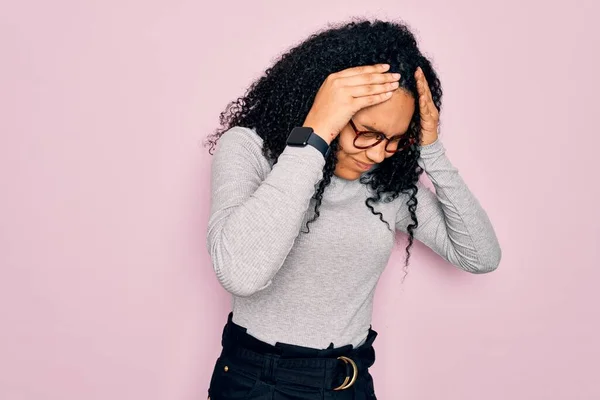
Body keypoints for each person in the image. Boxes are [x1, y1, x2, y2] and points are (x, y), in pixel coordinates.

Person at [204, 19, 501, 400]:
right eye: (367, 132)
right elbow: (241, 273)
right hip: (260, 383)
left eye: (394, 140)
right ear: (328, 109)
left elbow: (481, 256)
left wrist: (431, 148)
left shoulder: (387, 183)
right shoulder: (249, 151)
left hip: (351, 382)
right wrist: (314, 136)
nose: (377, 154)